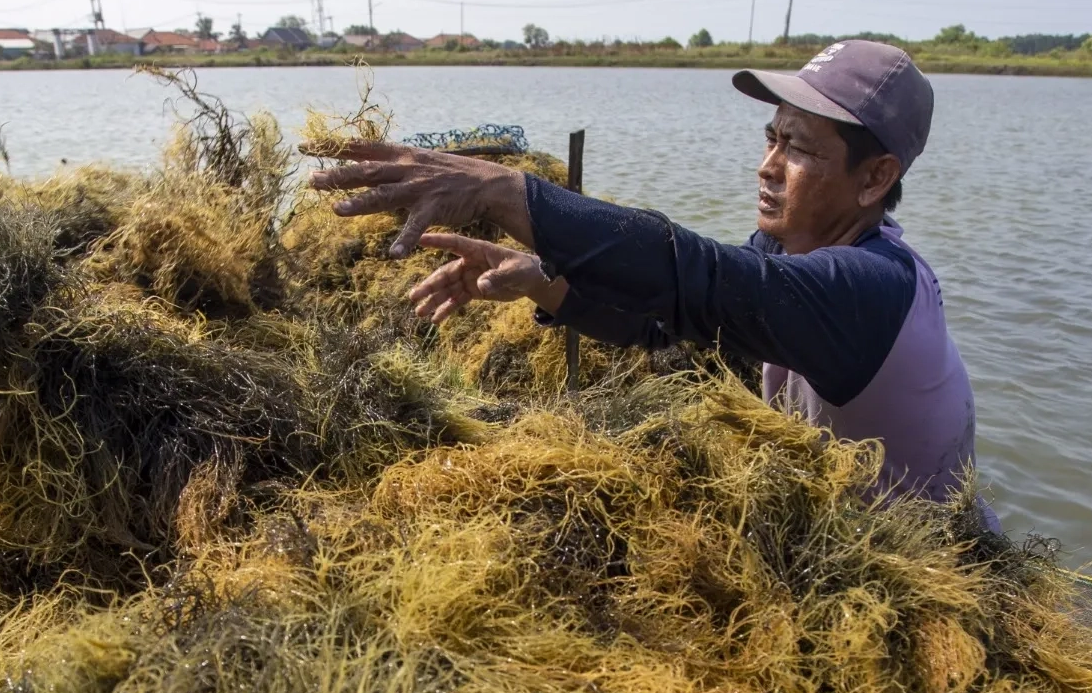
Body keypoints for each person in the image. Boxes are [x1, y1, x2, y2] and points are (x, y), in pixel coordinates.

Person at [308, 40, 992, 523]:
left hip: (923, 561)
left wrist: (500, 188)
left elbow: (691, 273)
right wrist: (546, 284)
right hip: (844, 533)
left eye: (801, 148)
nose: (768, 165)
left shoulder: (868, 287)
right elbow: (672, 320)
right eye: (772, 137)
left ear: (877, 177)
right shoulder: (788, 255)